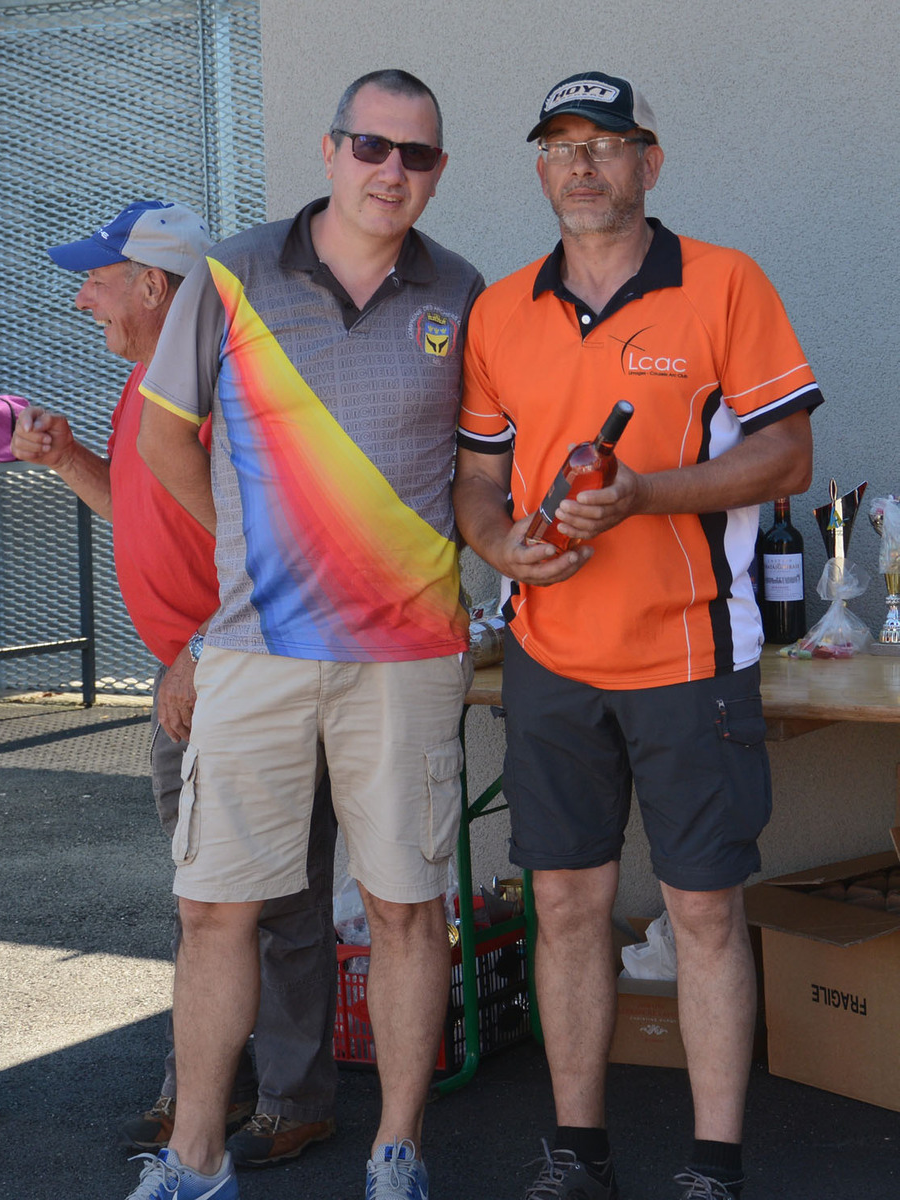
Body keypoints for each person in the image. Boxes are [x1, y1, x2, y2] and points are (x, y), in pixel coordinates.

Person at [453, 71, 823, 1200]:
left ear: (648, 162)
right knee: (567, 908)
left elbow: (787, 456)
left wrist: (648, 495)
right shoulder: (500, 310)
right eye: (561, 144)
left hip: (691, 655)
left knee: (702, 911)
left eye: (606, 142)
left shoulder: (723, 282)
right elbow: (475, 479)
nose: (583, 163)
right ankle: (578, 1153)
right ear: (539, 167)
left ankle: (714, 1164)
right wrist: (500, 545)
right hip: (549, 660)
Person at [130, 71, 484, 1200]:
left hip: (407, 659)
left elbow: (481, 469)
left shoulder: (462, 290)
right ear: (331, 150)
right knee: (215, 909)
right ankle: (195, 1160)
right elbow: (165, 441)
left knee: (405, 908)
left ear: (437, 172)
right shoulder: (232, 274)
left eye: (416, 155)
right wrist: (258, 550)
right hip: (255, 650)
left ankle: (397, 1152)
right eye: (372, 146)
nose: (392, 171)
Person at [11, 200, 338, 1169]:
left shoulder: (233, 388)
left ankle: (292, 1100)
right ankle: (208, 1085)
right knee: (206, 899)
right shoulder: (147, 385)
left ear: (154, 287)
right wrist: (68, 458)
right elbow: (144, 516)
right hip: (191, 672)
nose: (82, 300)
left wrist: (201, 645)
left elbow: (282, 542)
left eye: (97, 281)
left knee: (278, 899)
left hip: (244, 666)